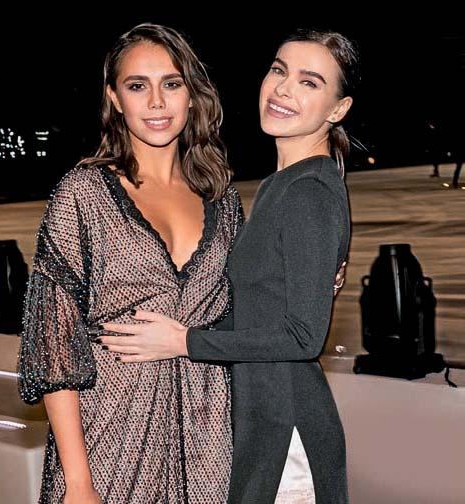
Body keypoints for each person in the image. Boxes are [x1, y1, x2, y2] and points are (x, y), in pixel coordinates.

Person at [100, 28, 358, 504]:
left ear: (337, 109)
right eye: (279, 71)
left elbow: (303, 337)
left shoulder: (307, 192)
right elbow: (263, 308)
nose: (283, 89)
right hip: (265, 421)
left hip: (288, 436)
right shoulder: (282, 185)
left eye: (309, 82)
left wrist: (183, 341)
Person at [17, 23, 243, 503]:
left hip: (208, 434)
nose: (157, 102)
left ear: (191, 93)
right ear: (115, 99)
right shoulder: (83, 194)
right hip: (112, 434)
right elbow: (54, 348)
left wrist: (318, 276)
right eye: (138, 86)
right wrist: (79, 484)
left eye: (171, 83)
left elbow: (245, 307)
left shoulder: (222, 198)